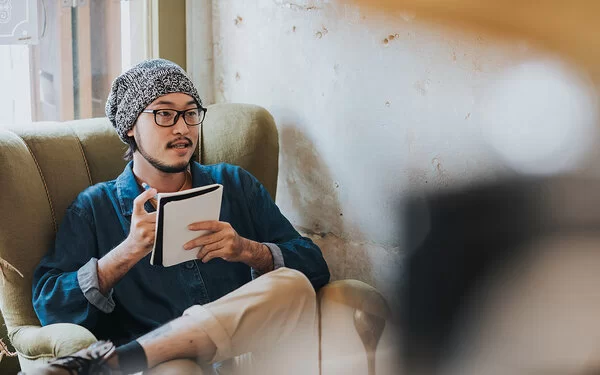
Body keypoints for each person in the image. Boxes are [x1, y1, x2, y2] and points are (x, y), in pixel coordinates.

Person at [25, 58, 330, 375]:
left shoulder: (236, 185)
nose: (183, 127)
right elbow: (51, 307)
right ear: (131, 125)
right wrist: (127, 251)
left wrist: (249, 251)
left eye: (191, 113)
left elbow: (315, 266)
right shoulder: (94, 208)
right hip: (164, 367)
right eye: (165, 114)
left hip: (251, 356)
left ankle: (114, 361)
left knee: (293, 283)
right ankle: (141, 356)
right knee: (178, 370)